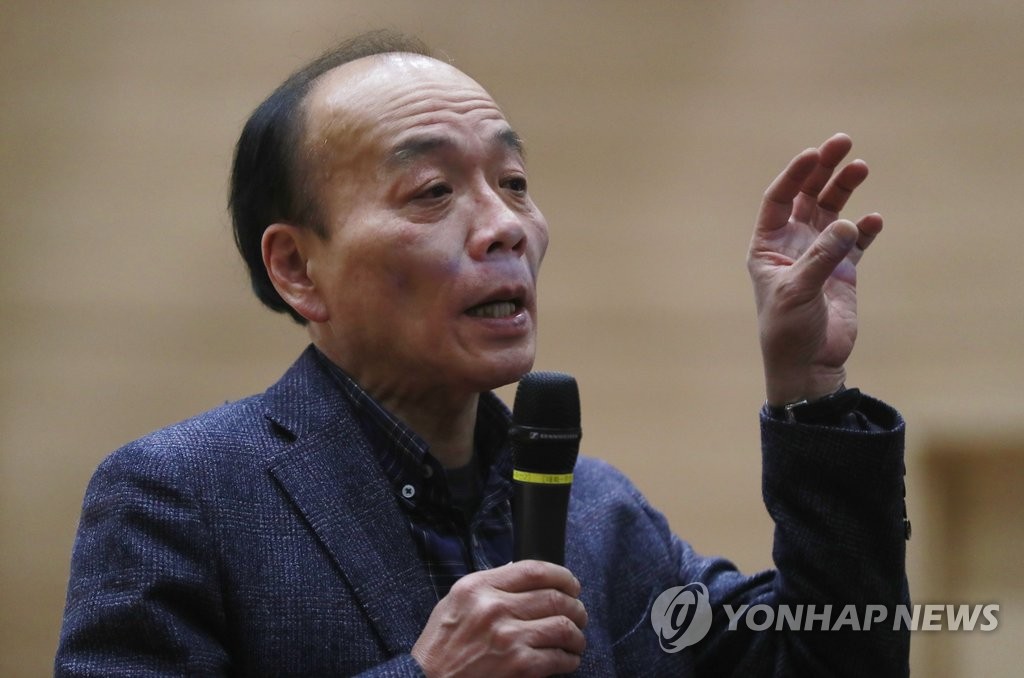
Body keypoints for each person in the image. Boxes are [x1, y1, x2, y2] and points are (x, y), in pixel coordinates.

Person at [55, 30, 910, 676]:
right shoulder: (181, 498)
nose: (506, 226)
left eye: (514, 183)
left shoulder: (602, 516)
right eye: (433, 191)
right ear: (297, 268)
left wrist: (810, 388)